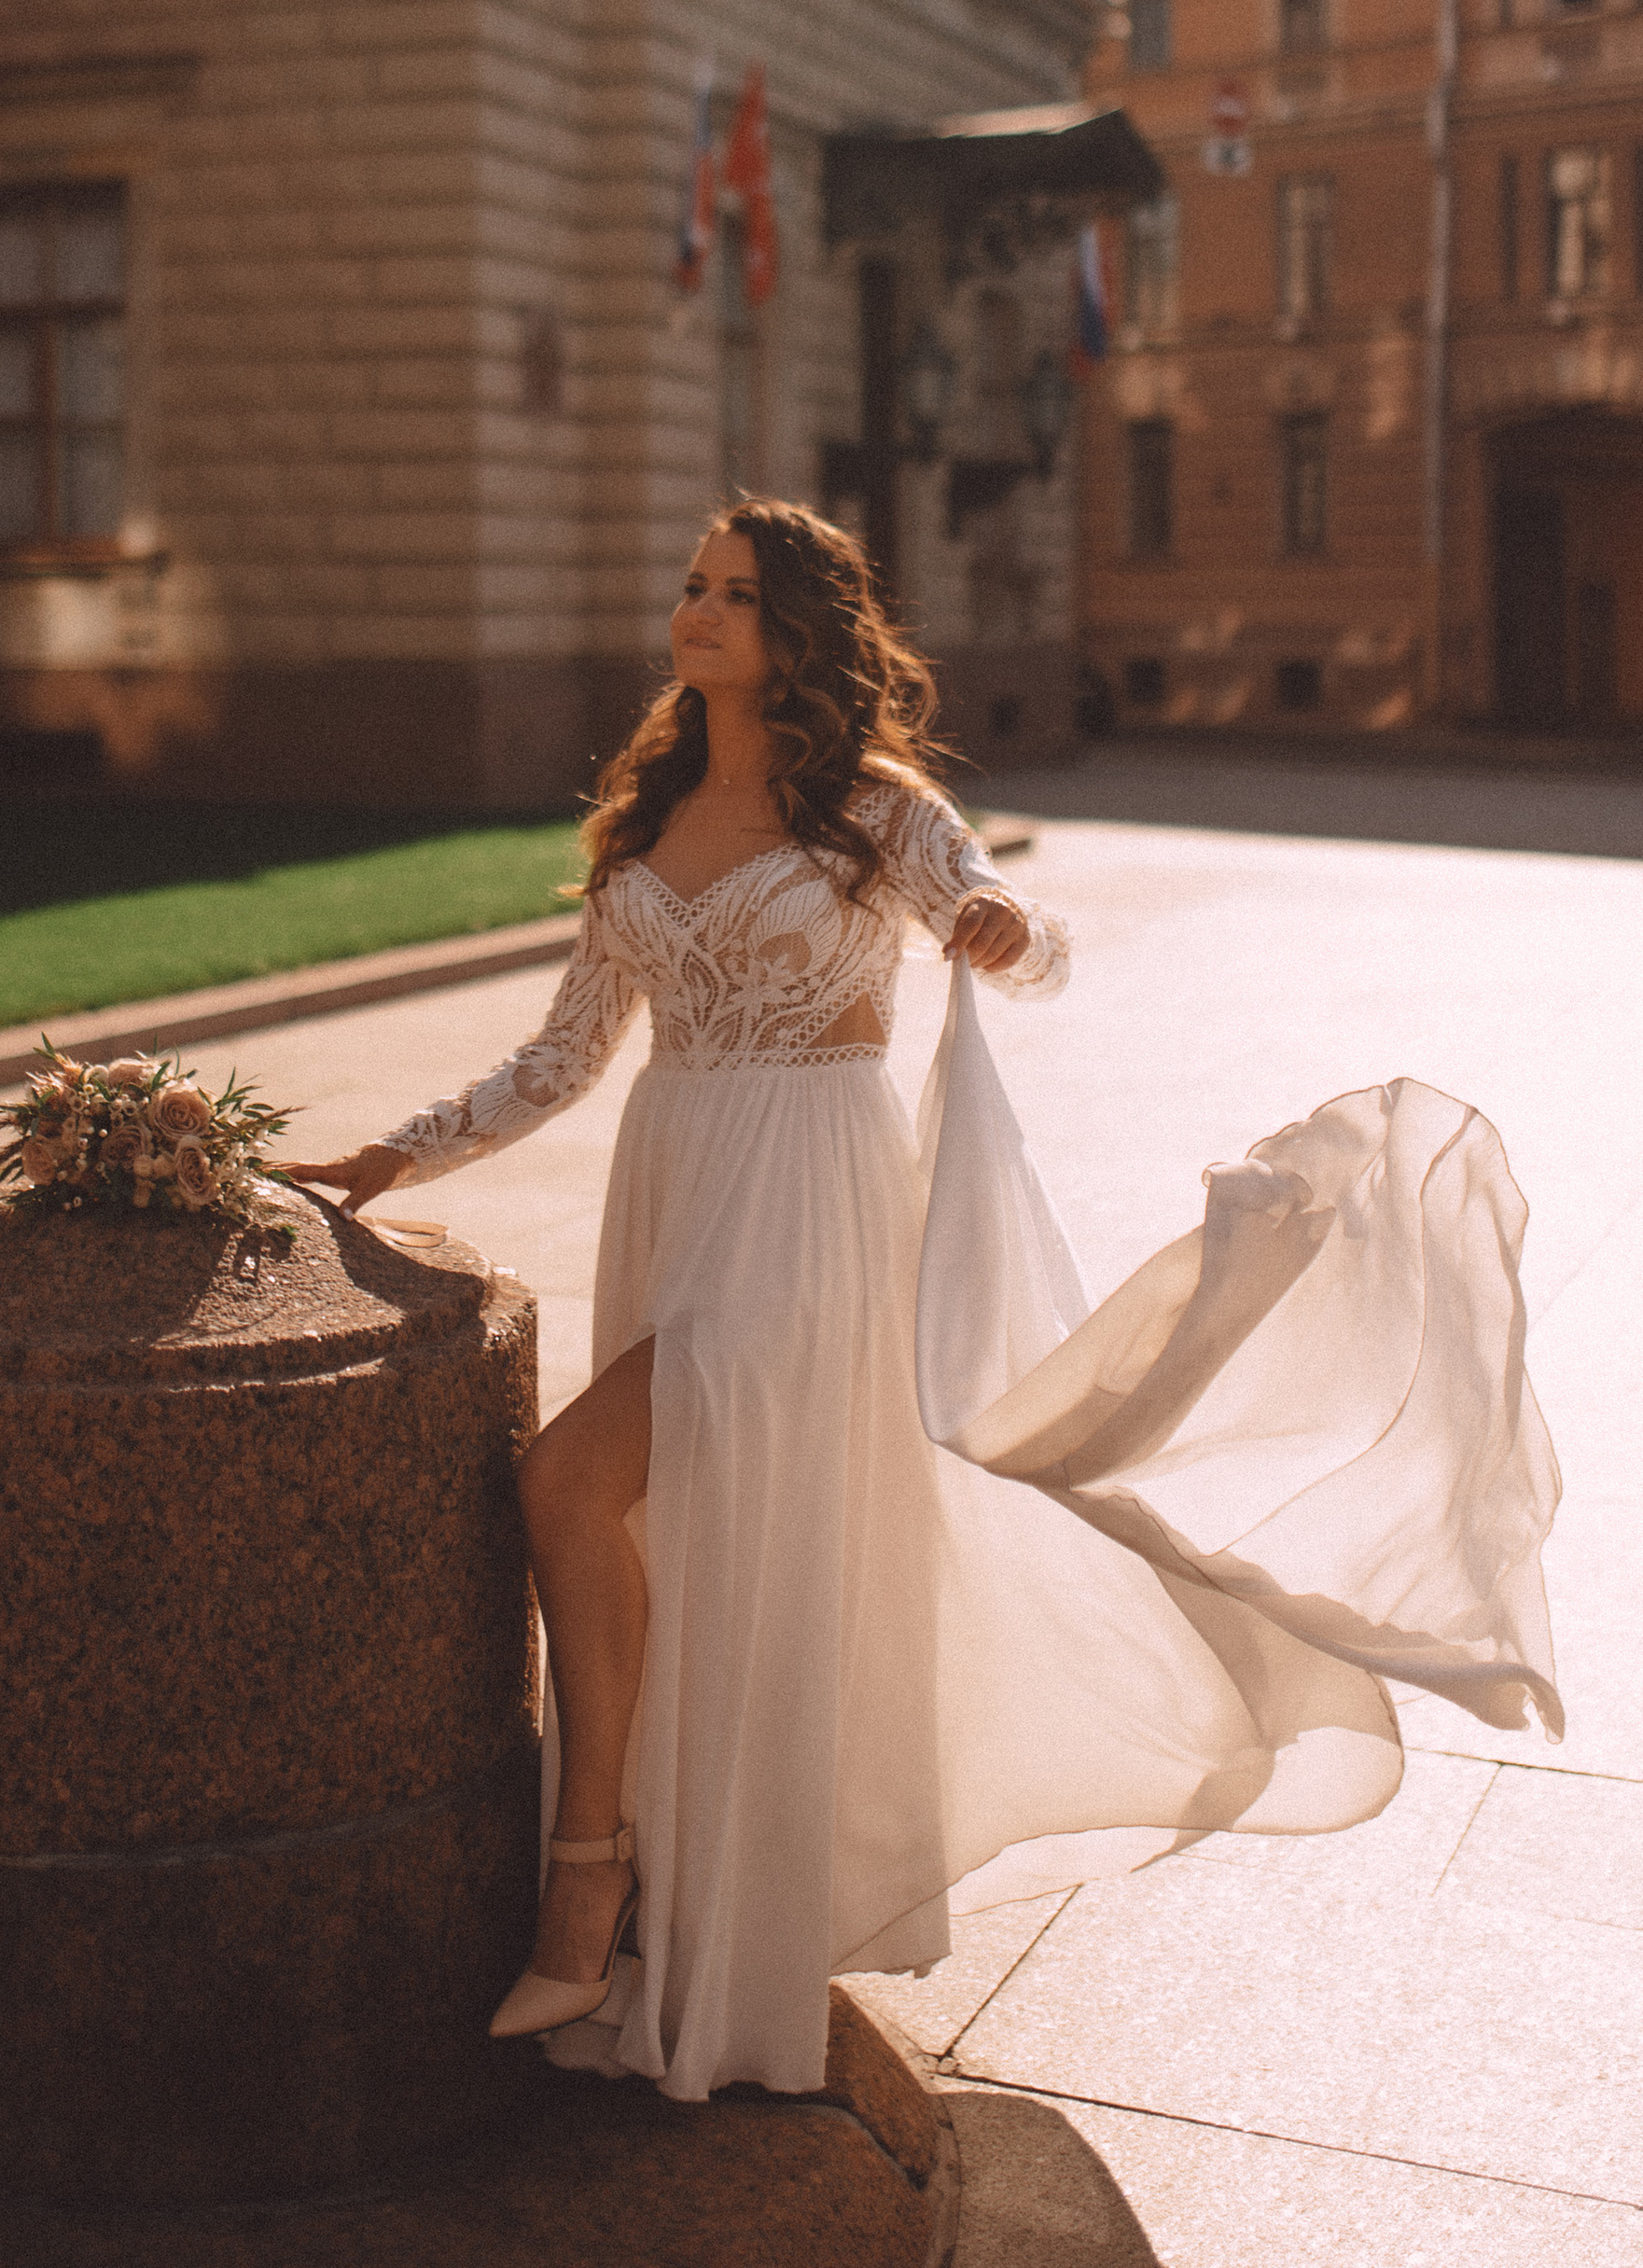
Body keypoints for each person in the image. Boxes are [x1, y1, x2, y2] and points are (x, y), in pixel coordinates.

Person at [284, 499, 1561, 2105]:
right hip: (679, 1186)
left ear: (801, 631)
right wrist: (397, 1155)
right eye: (692, 586)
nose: (701, 613)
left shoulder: (874, 811)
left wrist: (1003, 926)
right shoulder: (644, 816)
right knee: (684, 1539)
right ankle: (658, 1887)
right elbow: (562, 1056)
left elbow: (1025, 945)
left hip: (813, 1210)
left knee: (567, 1479)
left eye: (738, 596)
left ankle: (589, 1875)